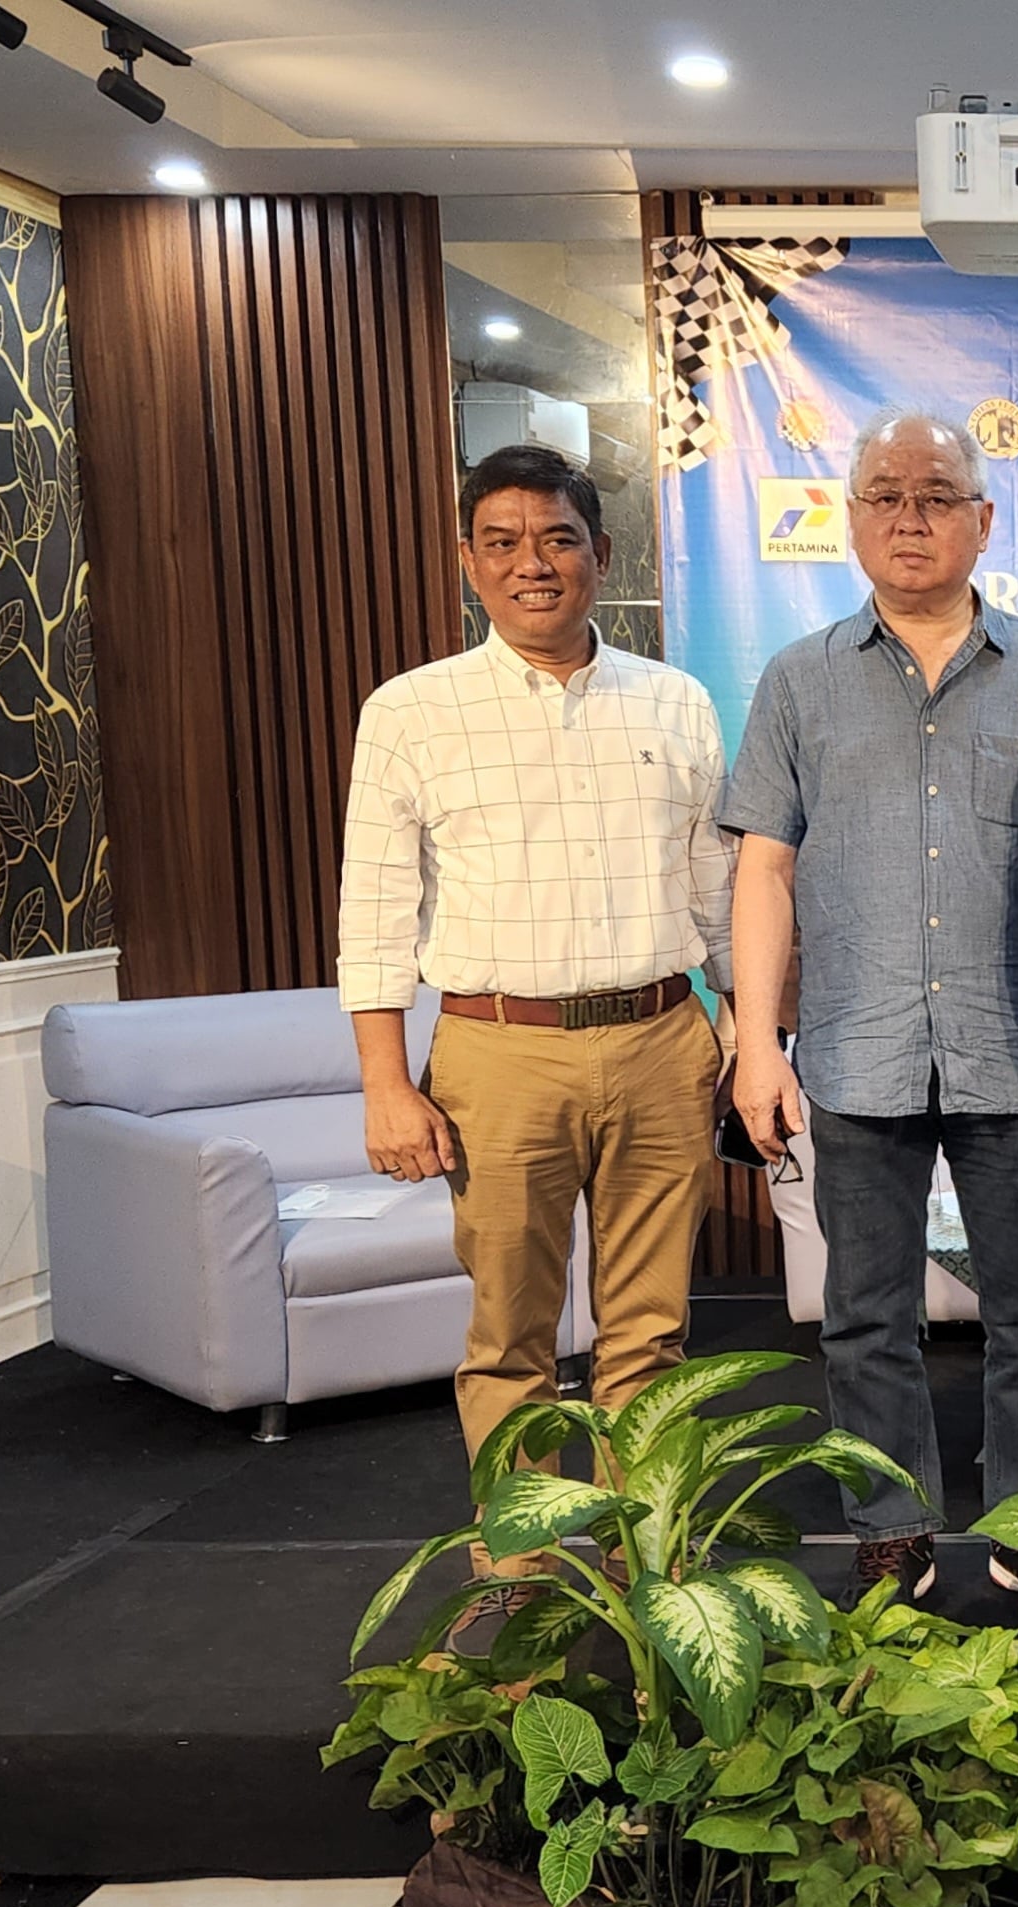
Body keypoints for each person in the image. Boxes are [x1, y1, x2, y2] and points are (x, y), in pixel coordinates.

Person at [337, 442, 733, 1650]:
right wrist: (385, 1083)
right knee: (509, 1332)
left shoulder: (676, 700)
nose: (533, 563)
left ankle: (640, 1547)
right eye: (502, 542)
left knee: (650, 1329)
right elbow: (374, 908)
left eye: (558, 537)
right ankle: (517, 1558)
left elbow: (715, 885)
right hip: (496, 1050)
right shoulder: (410, 710)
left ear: (599, 554)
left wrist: (749, 1032)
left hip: (662, 1038)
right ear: (468, 561)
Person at [719, 412, 1018, 1623]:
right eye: (884, 493)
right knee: (864, 1317)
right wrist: (755, 1046)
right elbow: (763, 869)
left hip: (1013, 1045)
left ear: (983, 521)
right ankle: (891, 1529)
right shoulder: (799, 678)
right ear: (850, 519)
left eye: (937, 494)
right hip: (856, 1048)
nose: (910, 517)